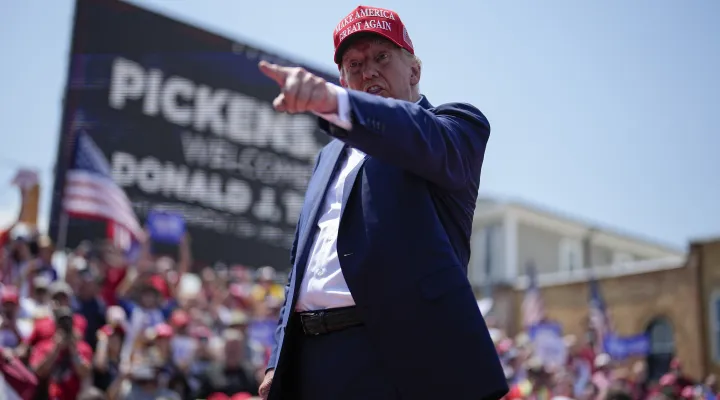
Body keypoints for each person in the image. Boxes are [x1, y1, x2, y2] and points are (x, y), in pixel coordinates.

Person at [257, 5, 506, 400]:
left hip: (395, 359)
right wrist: (278, 360)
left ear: (415, 71)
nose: (368, 71)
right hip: (310, 362)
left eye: (381, 57)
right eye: (354, 64)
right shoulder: (326, 158)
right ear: (343, 77)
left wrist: (333, 102)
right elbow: (302, 266)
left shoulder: (454, 128)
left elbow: (411, 131)